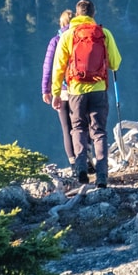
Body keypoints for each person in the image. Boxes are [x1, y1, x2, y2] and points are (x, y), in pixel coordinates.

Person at [50, 0, 122, 188]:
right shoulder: (103, 33)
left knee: (78, 128)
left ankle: (81, 169)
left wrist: (56, 92)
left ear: (77, 13)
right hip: (99, 90)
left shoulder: (68, 35)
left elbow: (58, 67)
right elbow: (115, 63)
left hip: (75, 91)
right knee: (98, 132)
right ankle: (102, 176)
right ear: (93, 13)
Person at [41, 9, 80, 172]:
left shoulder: (56, 40)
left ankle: (73, 163)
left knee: (67, 128)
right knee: (81, 126)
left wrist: (46, 89)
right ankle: (85, 158)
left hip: (62, 90)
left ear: (61, 23)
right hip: (80, 88)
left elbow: (48, 66)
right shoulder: (80, 38)